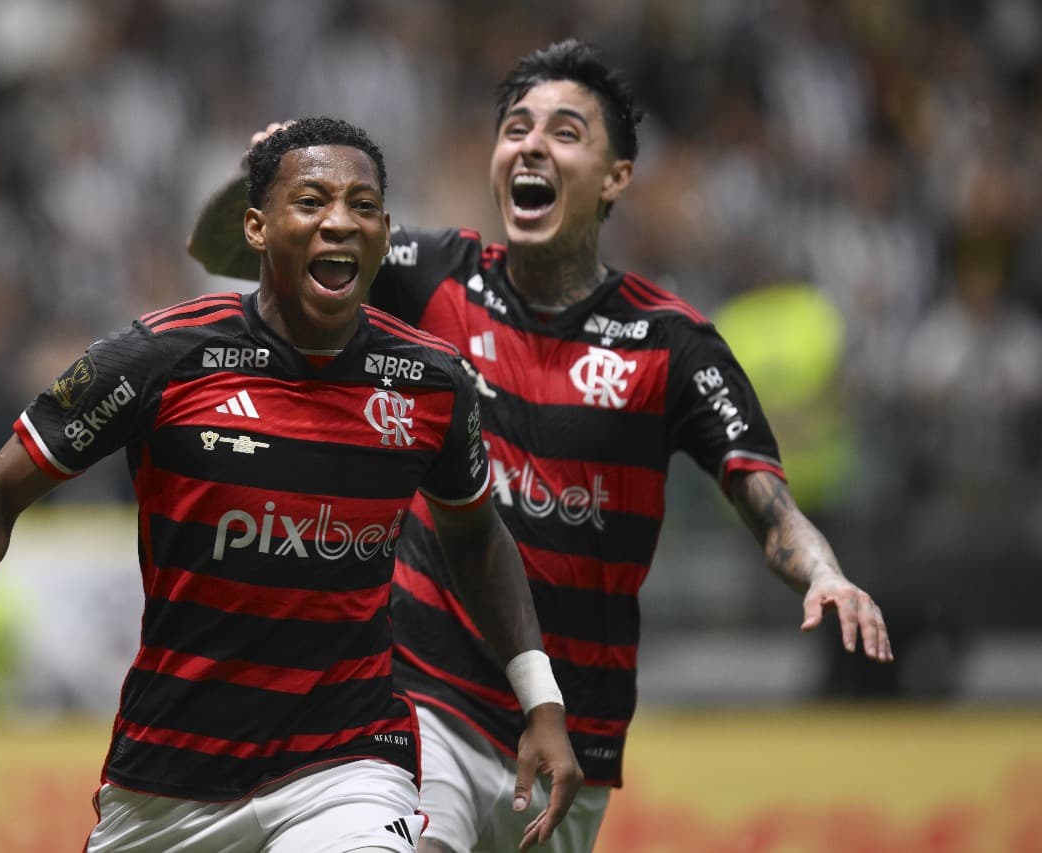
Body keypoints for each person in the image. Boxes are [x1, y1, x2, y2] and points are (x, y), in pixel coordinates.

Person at [188, 40, 894, 853]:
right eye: (516, 127)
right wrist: (264, 185)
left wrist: (825, 571)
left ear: (615, 177)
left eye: (565, 132)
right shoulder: (431, 275)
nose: (531, 144)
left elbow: (765, 500)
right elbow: (223, 252)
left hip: (572, 739)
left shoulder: (671, 345)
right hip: (422, 701)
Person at [0, 116, 582, 853]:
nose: (339, 222)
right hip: (167, 783)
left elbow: (478, 536)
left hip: (348, 765)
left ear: (385, 234)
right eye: (312, 201)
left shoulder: (431, 383)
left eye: (362, 207)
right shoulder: (157, 357)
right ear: (255, 228)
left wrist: (539, 698)